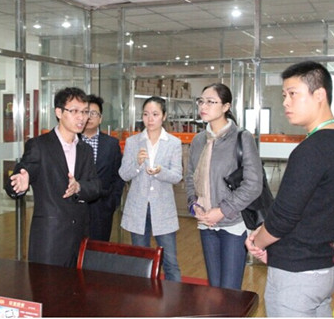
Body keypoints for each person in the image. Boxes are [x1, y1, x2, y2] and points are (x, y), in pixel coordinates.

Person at [246, 61, 334, 317]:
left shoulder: (311, 150)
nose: (286, 102)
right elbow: (310, 211)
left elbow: (283, 218)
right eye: (284, 95)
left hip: (297, 276)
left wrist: (256, 242)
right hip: (321, 268)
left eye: (293, 93)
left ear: (319, 95)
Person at [5, 87, 101, 267]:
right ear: (59, 112)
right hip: (50, 236)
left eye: (84, 112)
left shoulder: (85, 150)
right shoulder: (39, 145)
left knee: (77, 284)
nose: (81, 117)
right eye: (74, 111)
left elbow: (95, 186)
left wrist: (79, 187)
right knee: (46, 284)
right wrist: (20, 183)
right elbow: (21, 174)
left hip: (80, 235)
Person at [185, 83, 263, 290]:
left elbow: (253, 184)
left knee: (229, 290)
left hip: (233, 223)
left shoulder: (242, 138)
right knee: (214, 288)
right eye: (201, 101)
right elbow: (190, 176)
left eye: (211, 102)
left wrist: (222, 211)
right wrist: (194, 204)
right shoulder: (198, 140)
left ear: (226, 106)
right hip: (206, 223)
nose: (203, 106)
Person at [119, 96, 183, 281]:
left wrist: (160, 171)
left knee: (170, 262)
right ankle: (143, 297)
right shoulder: (133, 142)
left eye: (155, 114)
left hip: (163, 208)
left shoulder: (173, 143)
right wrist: (138, 164)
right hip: (138, 207)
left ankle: (173, 298)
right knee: (141, 261)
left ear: (164, 116)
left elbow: (177, 176)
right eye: (146, 114)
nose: (150, 119)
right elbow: (123, 174)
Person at [81, 94, 125, 241]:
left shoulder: (111, 144)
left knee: (99, 248)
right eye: (86, 112)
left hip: (102, 208)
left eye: (94, 113)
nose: (89, 117)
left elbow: (118, 176)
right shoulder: (72, 142)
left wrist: (112, 202)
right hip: (75, 208)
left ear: (100, 118)